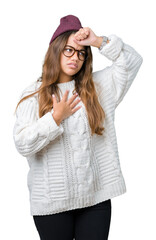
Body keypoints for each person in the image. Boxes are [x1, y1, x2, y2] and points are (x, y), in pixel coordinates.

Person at [13, 14, 143, 240]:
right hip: (52, 205)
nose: (76, 57)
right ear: (56, 50)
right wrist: (55, 118)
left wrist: (98, 41)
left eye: (81, 53)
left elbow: (132, 61)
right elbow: (23, 144)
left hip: (96, 201)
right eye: (69, 50)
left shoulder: (98, 87)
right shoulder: (33, 95)